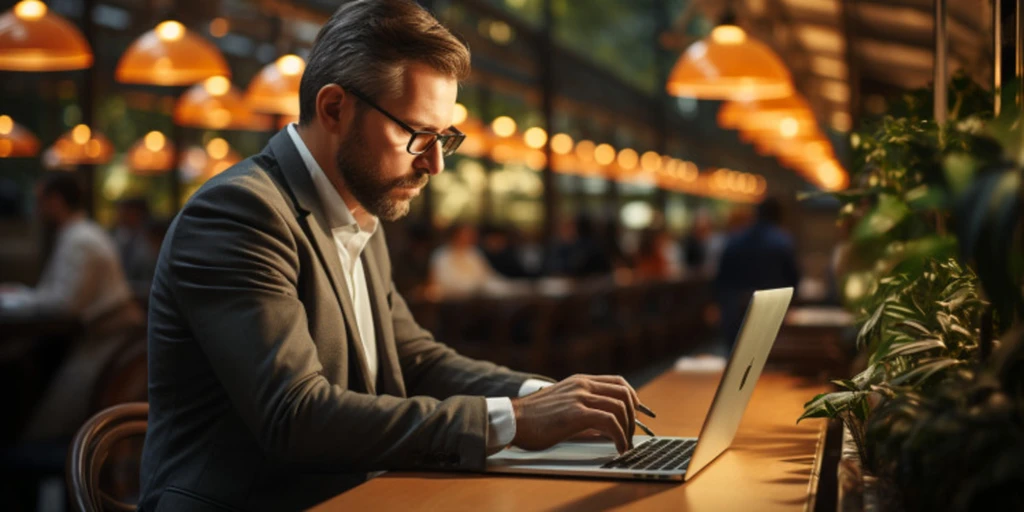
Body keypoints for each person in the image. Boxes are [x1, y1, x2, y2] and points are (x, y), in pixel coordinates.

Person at [140, 2, 644, 510]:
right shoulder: (240, 211)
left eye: (445, 137)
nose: (435, 163)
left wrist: (548, 398)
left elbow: (414, 361)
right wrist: (514, 418)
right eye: (416, 135)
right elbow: (294, 416)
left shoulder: (362, 210)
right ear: (334, 108)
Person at [0, 173, 143, 440]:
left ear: (55, 201)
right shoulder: (79, 234)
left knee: (45, 420)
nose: (37, 208)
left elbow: (65, 304)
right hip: (105, 339)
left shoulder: (80, 239)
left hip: (107, 345)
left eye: (40, 200)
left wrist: (20, 296)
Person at [714, 197, 801, 353]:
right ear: (780, 216)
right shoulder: (782, 241)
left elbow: (721, 278)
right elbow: (793, 279)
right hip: (770, 313)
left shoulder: (734, 240)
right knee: (768, 359)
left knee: (735, 360)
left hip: (736, 313)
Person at [428, 223, 506, 298]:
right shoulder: (442, 255)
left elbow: (486, 277)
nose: (469, 238)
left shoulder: (474, 253)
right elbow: (442, 283)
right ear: (455, 235)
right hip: (449, 301)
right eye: (465, 235)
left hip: (476, 299)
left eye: (471, 235)